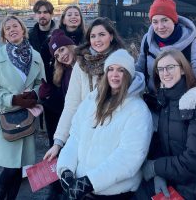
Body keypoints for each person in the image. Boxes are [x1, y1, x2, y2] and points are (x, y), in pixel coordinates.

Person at [57, 49, 153, 199]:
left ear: (128, 74)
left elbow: (129, 156)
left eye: (121, 70)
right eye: (111, 69)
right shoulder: (92, 100)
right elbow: (75, 137)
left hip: (113, 193)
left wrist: (90, 182)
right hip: (82, 189)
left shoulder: (138, 110)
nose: (114, 74)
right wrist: (66, 169)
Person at [141, 47, 196, 200]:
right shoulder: (167, 102)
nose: (165, 73)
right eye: (160, 69)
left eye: (170, 67)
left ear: (183, 69)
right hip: (176, 182)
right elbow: (163, 144)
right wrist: (160, 175)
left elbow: (195, 160)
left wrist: (155, 167)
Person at [44, 17, 125, 162]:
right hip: (88, 134)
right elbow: (71, 105)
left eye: (101, 34)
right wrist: (58, 142)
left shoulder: (123, 62)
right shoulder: (81, 65)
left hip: (116, 134)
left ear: (111, 36)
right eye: (93, 36)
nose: (97, 40)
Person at [0, 15, 45, 200]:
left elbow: (42, 84)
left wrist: (34, 94)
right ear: (4, 35)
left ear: (23, 29)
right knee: (10, 167)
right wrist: (14, 99)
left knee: (19, 167)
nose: (12, 30)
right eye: (7, 28)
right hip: (6, 118)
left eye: (15, 26)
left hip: (27, 118)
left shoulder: (36, 56)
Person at [136, 0, 196, 95]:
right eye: (155, 22)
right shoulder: (147, 40)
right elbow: (140, 69)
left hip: (183, 100)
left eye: (165, 20)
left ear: (173, 20)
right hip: (154, 99)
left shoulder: (192, 45)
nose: (160, 26)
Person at [39, 29, 77, 199]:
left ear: (70, 45)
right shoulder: (65, 72)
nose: (61, 56)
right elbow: (67, 104)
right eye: (56, 55)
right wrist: (46, 96)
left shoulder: (83, 66)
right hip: (73, 126)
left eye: (62, 49)